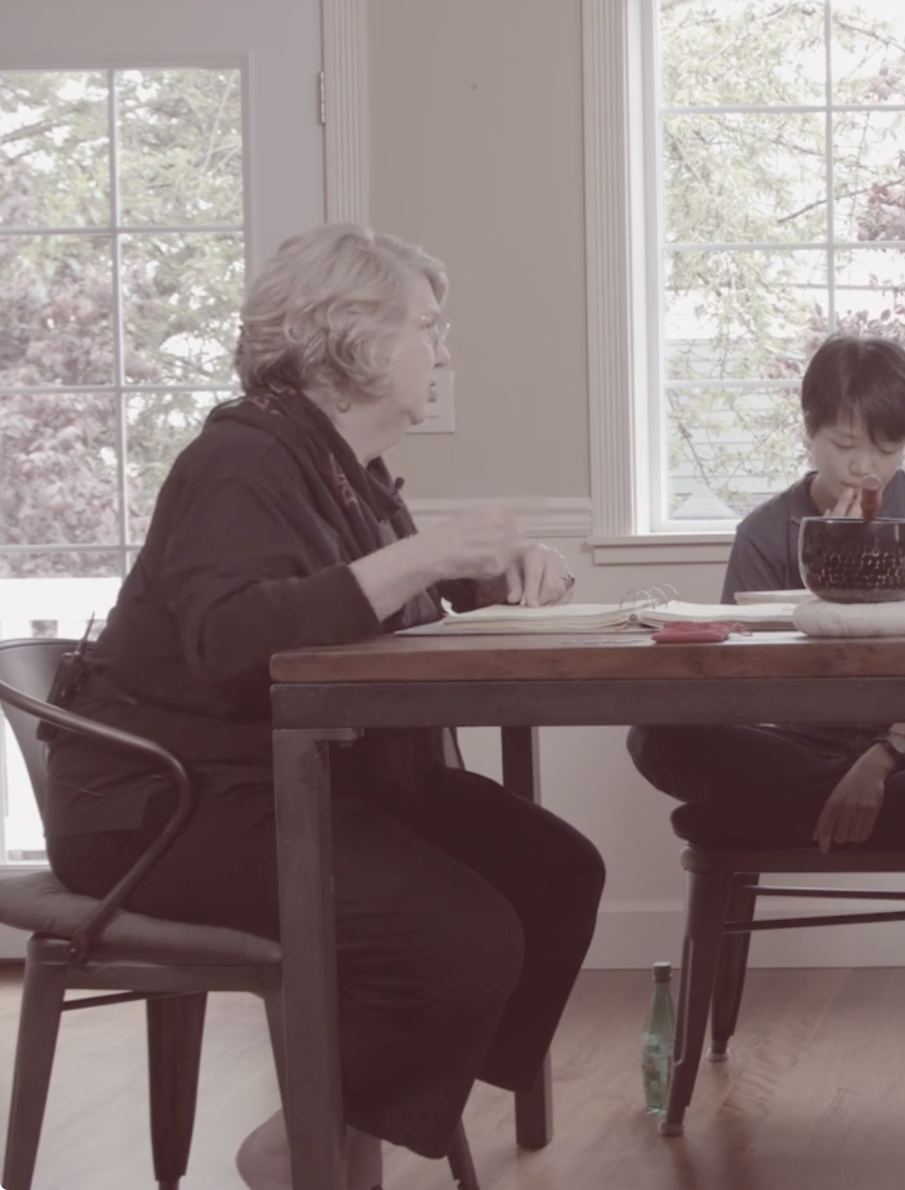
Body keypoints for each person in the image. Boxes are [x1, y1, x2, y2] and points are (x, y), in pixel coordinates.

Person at [42, 224, 605, 1190]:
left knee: (554, 873)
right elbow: (235, 642)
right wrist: (424, 556)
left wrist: (481, 578)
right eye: (428, 327)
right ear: (354, 341)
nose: (444, 353)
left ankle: (353, 1123)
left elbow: (352, 599)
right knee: (455, 936)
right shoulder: (239, 460)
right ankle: (305, 1142)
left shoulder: (341, 467)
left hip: (287, 781)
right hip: (166, 806)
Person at [627, 335, 905, 852]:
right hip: (803, 744)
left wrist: (877, 764)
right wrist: (829, 567)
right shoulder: (764, 533)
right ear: (810, 428)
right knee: (655, 738)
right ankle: (859, 810)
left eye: (887, 449)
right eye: (845, 445)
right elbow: (742, 678)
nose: (865, 468)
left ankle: (780, 820)